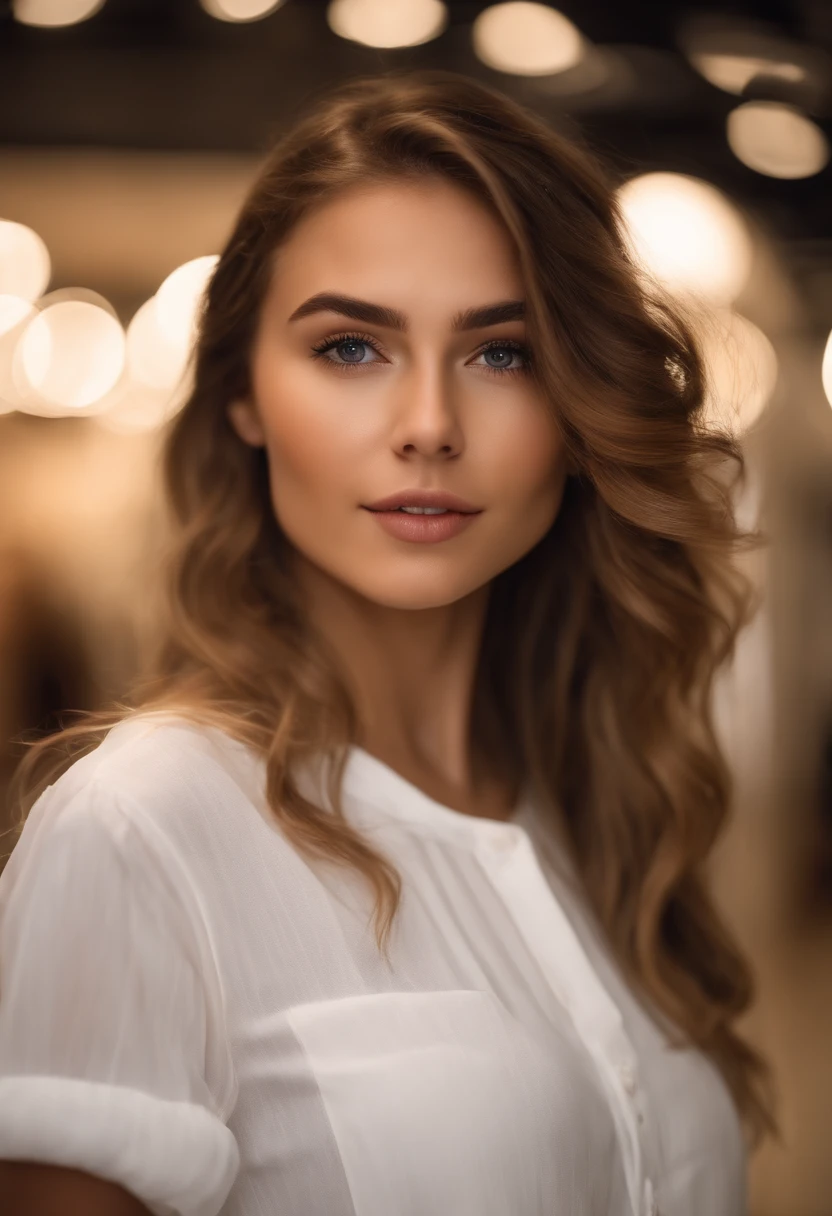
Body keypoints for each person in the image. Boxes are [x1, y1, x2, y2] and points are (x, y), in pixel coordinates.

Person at [0, 69, 777, 1216]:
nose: (427, 426)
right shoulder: (141, 829)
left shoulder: (598, 809)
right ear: (243, 395)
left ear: (575, 406)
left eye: (501, 352)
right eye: (351, 349)